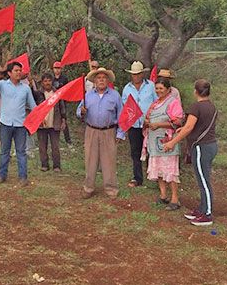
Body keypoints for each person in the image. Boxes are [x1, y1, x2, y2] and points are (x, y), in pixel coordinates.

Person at [164, 79, 218, 226]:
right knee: (202, 179)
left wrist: (172, 142)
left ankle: (207, 214)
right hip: (210, 145)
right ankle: (202, 209)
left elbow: (188, 128)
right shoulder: (211, 106)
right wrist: (185, 128)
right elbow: (198, 125)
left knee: (204, 182)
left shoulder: (196, 107)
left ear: (196, 91)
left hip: (201, 147)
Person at [0, 61, 36, 186]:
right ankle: (1, 175)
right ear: (9, 73)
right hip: (5, 124)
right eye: (16, 71)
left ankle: (23, 177)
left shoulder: (26, 88)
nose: (19, 73)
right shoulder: (3, 85)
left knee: (21, 152)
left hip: (20, 125)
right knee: (4, 151)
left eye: (20, 70)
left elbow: (33, 105)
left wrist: (40, 117)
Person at [77, 67, 124, 199]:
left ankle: (111, 189)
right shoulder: (88, 95)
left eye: (104, 78)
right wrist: (81, 111)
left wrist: (120, 133)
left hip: (109, 131)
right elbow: (78, 111)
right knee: (90, 160)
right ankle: (88, 187)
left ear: (108, 80)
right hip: (91, 130)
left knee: (109, 160)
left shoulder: (115, 96)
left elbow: (122, 116)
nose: (101, 80)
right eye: (99, 78)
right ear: (95, 81)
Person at [143, 77, 184, 211]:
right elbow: (148, 118)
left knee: (170, 170)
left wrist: (159, 124)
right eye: (157, 88)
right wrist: (148, 122)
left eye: (161, 88)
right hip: (154, 141)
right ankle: (163, 195)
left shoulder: (173, 102)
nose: (158, 91)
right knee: (159, 168)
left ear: (168, 89)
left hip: (167, 141)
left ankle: (175, 198)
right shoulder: (155, 104)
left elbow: (178, 121)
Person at [121, 61, 157, 187]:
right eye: (134, 74)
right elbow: (124, 106)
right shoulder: (127, 89)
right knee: (135, 151)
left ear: (142, 74)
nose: (136, 76)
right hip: (134, 125)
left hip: (149, 124)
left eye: (138, 74)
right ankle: (137, 177)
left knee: (151, 150)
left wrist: (152, 118)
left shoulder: (151, 86)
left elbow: (156, 103)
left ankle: (153, 175)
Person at [32, 73, 66, 172]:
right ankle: (44, 165)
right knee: (42, 146)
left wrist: (63, 119)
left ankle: (56, 166)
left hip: (55, 122)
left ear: (52, 82)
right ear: (42, 83)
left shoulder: (57, 93)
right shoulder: (38, 94)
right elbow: (32, 103)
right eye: (45, 81)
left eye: (49, 81)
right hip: (42, 124)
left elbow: (62, 107)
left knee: (55, 146)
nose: (47, 83)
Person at [52, 61, 72, 145]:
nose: (57, 70)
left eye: (58, 68)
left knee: (64, 119)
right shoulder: (51, 78)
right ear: (53, 69)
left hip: (62, 101)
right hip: (53, 101)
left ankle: (68, 140)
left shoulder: (64, 79)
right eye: (55, 68)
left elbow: (67, 89)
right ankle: (54, 139)